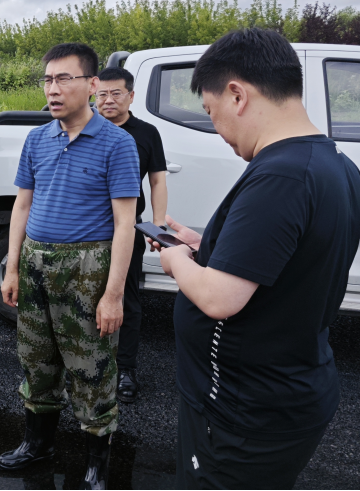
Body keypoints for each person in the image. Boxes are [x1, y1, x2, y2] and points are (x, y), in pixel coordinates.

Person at [148, 28, 360, 490]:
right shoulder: (336, 165)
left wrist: (177, 259)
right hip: (284, 390)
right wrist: (205, 245)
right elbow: (289, 262)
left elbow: (221, 298)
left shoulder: (281, 175)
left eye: (210, 111)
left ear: (237, 94)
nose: (216, 130)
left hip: (242, 410)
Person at [0, 43, 140, 489]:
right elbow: (21, 206)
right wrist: (14, 267)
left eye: (64, 79)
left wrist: (113, 293)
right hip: (37, 261)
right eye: (47, 79)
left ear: (92, 84)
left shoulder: (118, 143)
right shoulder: (38, 138)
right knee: (36, 359)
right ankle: (38, 443)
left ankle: (98, 461)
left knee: (92, 367)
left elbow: (125, 224)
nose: (53, 89)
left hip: (87, 268)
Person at [96, 67, 168, 404]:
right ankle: (88, 365)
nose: (108, 101)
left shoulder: (146, 133)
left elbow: (157, 180)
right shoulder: (84, 129)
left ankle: (124, 368)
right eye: (102, 95)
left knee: (126, 299)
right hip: (85, 231)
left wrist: (156, 225)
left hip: (126, 229)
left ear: (131, 96)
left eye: (116, 94)